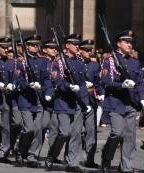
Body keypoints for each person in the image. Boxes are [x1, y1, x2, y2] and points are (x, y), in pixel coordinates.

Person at [100, 30, 144, 173]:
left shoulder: (135, 62)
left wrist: (143, 99)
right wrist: (121, 85)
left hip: (131, 104)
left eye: (131, 42)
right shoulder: (109, 61)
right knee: (117, 133)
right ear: (118, 44)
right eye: (126, 42)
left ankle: (125, 167)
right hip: (115, 103)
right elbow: (105, 82)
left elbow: (139, 83)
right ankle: (107, 157)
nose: (130, 44)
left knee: (130, 138)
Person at [45, 33, 91, 172]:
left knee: (76, 133)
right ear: (67, 45)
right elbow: (56, 81)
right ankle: (52, 154)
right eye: (75, 44)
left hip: (77, 101)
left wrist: (86, 102)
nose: (77, 46)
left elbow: (82, 84)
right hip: (63, 101)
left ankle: (73, 163)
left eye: (78, 44)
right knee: (64, 133)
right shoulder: (58, 62)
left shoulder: (80, 63)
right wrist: (68, 86)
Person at [14, 34, 52, 168]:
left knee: (38, 129)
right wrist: (28, 85)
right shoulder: (20, 62)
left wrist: (48, 92)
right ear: (27, 47)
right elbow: (18, 81)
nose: (36, 47)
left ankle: (32, 156)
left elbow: (47, 79)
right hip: (26, 99)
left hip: (39, 99)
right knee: (29, 129)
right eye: (33, 45)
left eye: (37, 45)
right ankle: (20, 150)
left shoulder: (43, 61)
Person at [79, 39, 104, 168]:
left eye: (90, 50)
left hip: (90, 100)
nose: (89, 52)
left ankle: (89, 158)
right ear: (80, 51)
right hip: (78, 99)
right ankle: (70, 156)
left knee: (91, 131)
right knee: (75, 131)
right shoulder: (75, 64)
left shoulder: (94, 66)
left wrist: (101, 93)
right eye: (87, 50)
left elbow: (98, 83)